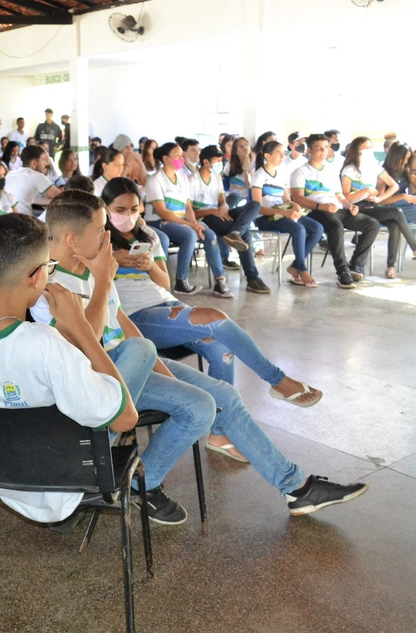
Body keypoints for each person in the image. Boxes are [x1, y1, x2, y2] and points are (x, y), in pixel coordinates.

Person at [32, 191, 366, 521]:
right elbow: (79, 351)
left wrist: (165, 372)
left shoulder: (92, 266)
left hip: (132, 365)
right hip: (97, 377)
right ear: (72, 240)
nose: (108, 237)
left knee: (216, 398)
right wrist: (104, 280)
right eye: (100, 230)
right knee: (152, 359)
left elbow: (122, 323)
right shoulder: (48, 283)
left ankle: (297, 488)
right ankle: (119, 474)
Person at [0, 212, 147, 524]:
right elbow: (126, 419)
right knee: (137, 355)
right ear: (39, 276)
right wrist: (80, 327)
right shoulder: (49, 345)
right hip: (59, 485)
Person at [102, 176, 321, 403]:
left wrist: (149, 266)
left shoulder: (149, 235)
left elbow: (165, 283)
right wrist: (110, 260)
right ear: (106, 208)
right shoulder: (99, 240)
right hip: (133, 315)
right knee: (214, 317)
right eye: (120, 209)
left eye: (134, 209)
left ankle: (219, 432)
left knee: (221, 349)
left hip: (166, 305)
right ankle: (278, 380)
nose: (128, 216)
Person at [290, 134, 379, 290]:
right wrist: (320, 207)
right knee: (335, 226)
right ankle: (343, 272)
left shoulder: (331, 171)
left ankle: (355, 265)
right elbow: (298, 198)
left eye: (326, 147)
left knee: (371, 224)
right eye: (318, 148)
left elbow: (339, 196)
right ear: (309, 150)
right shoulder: (300, 172)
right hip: (315, 211)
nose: (323, 151)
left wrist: (348, 205)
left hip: (335, 209)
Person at [340, 137, 416, 277]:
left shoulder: (374, 168)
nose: (369, 151)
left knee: (394, 223)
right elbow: (346, 196)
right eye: (366, 148)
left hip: (371, 207)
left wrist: (378, 198)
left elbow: (394, 185)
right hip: (355, 208)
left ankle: (386, 266)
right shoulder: (349, 170)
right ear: (356, 150)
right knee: (396, 212)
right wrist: (366, 192)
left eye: (370, 147)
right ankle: (415, 248)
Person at [145, 142, 232, 297]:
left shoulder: (182, 178)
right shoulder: (155, 180)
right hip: (158, 222)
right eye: (177, 156)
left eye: (181, 155)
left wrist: (195, 223)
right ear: (165, 158)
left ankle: (220, 281)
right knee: (190, 234)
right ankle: (181, 281)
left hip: (180, 222)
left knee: (209, 234)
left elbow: (188, 207)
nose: (181, 159)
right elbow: (163, 212)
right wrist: (190, 225)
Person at [189, 146, 269, 293]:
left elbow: (222, 200)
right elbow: (190, 212)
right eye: (218, 161)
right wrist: (214, 211)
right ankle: (252, 278)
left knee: (255, 204)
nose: (221, 163)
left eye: (221, 160)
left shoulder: (216, 178)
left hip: (219, 214)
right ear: (206, 162)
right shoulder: (192, 180)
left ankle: (236, 232)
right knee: (244, 233)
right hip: (205, 218)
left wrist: (225, 207)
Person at [251, 141, 324, 287]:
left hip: (282, 213)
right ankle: (302, 269)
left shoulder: (281, 173)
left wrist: (294, 205)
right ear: (267, 155)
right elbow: (258, 208)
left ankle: (295, 266)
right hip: (265, 218)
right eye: (278, 153)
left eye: (283, 152)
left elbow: (286, 199)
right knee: (299, 229)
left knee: (317, 228)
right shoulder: (259, 176)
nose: (283, 156)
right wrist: (284, 212)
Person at [2, 145, 61, 218]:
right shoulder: (35, 175)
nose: (45, 164)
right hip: (24, 220)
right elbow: (62, 197)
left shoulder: (11, 173)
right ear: (34, 163)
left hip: (5, 217)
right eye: (43, 160)